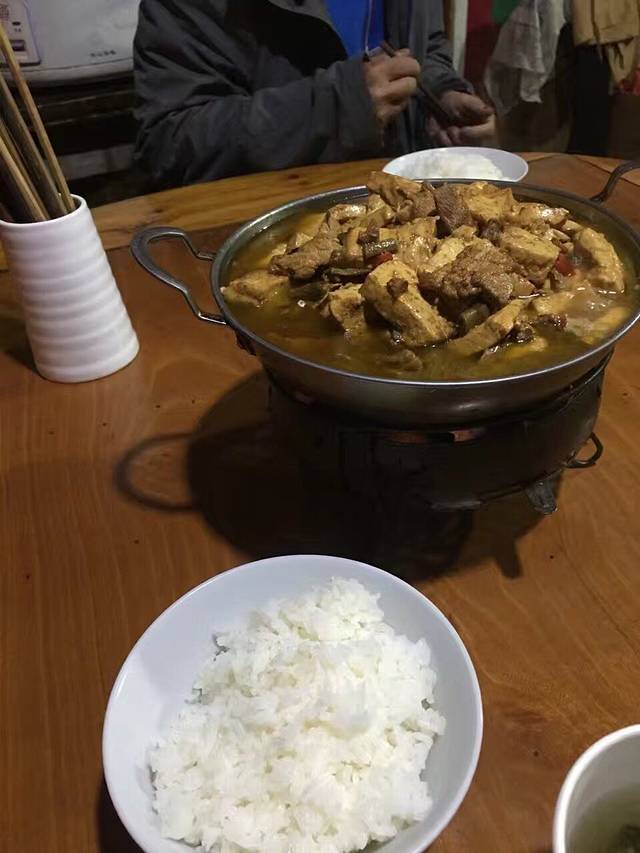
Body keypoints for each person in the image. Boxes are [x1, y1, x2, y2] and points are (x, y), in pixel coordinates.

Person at [134, 0, 496, 188]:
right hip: (274, 241)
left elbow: (424, 46)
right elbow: (170, 142)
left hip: (404, 219)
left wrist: (440, 94)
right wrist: (339, 106)